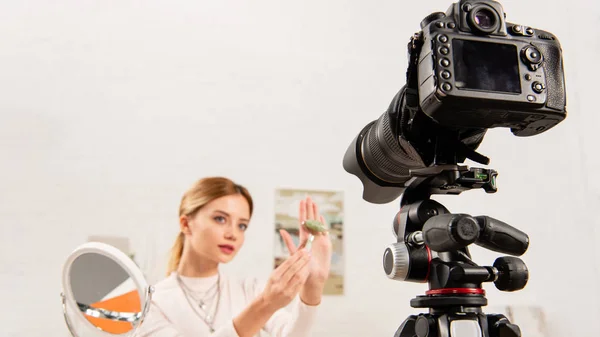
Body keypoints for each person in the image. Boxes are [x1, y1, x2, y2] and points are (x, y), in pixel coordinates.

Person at [137, 177, 332, 337]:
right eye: (220, 219)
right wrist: (264, 305)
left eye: (242, 225)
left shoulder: (249, 290)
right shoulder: (152, 303)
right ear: (186, 224)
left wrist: (313, 286)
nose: (233, 234)